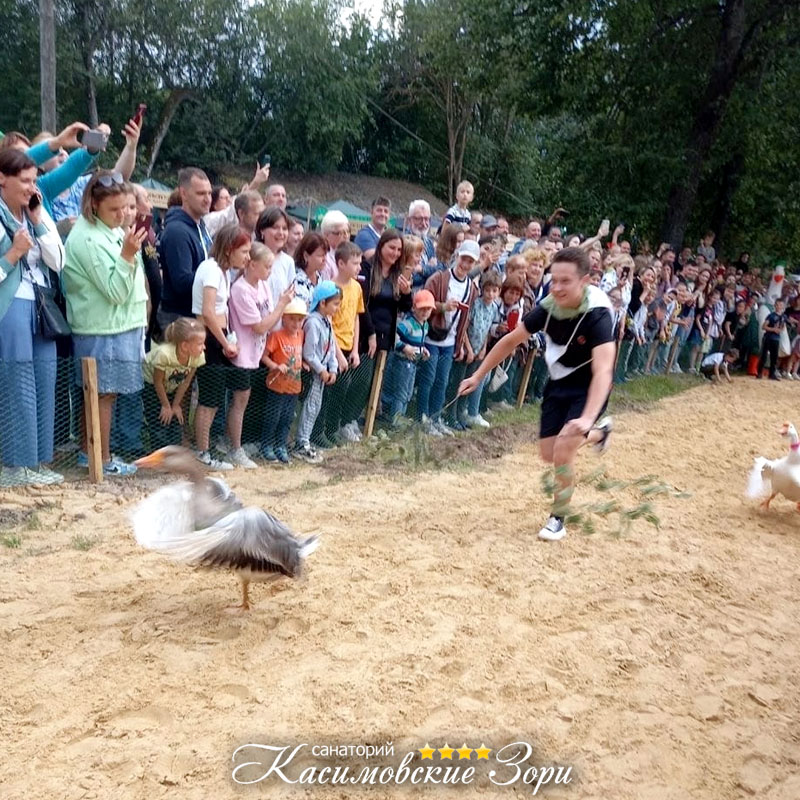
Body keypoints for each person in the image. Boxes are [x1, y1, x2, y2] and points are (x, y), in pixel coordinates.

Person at [459, 247, 615, 542]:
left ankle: (558, 517)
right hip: (558, 381)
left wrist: (587, 416)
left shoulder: (598, 314)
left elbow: (604, 371)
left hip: (589, 383)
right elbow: (511, 340)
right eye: (553, 279)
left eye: (565, 281)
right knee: (548, 452)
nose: (556, 287)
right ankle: (599, 434)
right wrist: (477, 376)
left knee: (565, 447)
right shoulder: (548, 307)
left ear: (585, 281)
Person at [63, 171, 148, 476]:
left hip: (117, 327)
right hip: (102, 329)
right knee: (102, 394)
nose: (124, 215)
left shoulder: (108, 229)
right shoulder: (87, 238)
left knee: (101, 393)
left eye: (128, 207)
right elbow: (114, 292)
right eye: (116, 209)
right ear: (94, 204)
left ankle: (91, 455)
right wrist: (127, 254)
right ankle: (101, 458)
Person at [0, 149, 66, 487]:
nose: (31, 187)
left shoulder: (33, 212)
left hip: (41, 305)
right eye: (25, 181)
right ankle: (14, 464)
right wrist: (13, 254)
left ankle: (38, 461)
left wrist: (39, 219)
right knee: (17, 383)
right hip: (10, 305)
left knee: (45, 379)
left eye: (34, 181)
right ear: (2, 178)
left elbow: (58, 261)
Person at [226, 242, 294, 468]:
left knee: (246, 401)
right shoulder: (240, 290)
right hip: (243, 354)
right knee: (239, 402)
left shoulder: (262, 285)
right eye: (267, 266)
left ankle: (238, 443)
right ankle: (234, 448)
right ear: (252, 265)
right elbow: (260, 326)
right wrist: (282, 304)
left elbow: (269, 316)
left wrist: (279, 305)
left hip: (255, 353)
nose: (270, 272)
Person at [190, 224, 250, 470]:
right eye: (244, 251)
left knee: (214, 398)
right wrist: (225, 343)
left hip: (218, 336)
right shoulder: (212, 270)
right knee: (209, 399)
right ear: (229, 249)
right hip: (209, 338)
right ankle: (202, 453)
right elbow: (207, 311)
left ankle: (206, 450)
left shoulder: (222, 272)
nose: (247, 257)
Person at [418, 239, 479, 436]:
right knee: (428, 379)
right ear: (457, 257)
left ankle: (436, 419)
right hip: (431, 337)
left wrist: (461, 343)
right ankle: (422, 418)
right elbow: (423, 303)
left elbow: (466, 317)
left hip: (450, 340)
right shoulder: (439, 278)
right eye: (464, 259)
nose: (466, 265)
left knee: (442, 381)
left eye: (471, 262)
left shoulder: (471, 287)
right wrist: (443, 306)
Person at [322, 241, 370, 444]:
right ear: (341, 264)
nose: (359, 267)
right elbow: (328, 322)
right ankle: (327, 429)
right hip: (333, 345)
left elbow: (357, 317)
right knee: (336, 388)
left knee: (345, 387)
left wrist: (355, 350)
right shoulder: (331, 287)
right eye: (355, 263)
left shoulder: (357, 287)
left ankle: (334, 428)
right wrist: (339, 354)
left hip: (349, 345)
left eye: (360, 263)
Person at [157, 167, 213, 330]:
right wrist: (216, 274)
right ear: (184, 193)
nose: (207, 199)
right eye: (201, 193)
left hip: (197, 315)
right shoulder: (177, 232)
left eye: (209, 193)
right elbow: (182, 282)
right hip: (180, 319)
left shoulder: (200, 225)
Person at [293, 281, 340, 463]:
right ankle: (301, 442)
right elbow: (309, 353)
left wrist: (333, 368)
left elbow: (331, 348)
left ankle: (305, 439)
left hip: (322, 374)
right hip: (313, 374)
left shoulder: (327, 322)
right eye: (335, 304)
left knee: (315, 407)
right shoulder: (313, 322)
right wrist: (321, 370)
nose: (337, 308)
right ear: (322, 303)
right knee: (309, 407)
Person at [142, 317, 206, 450]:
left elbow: (186, 382)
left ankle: (173, 452)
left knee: (176, 417)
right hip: (151, 386)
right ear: (184, 346)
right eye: (200, 343)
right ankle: (159, 454)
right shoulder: (164, 354)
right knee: (160, 418)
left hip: (172, 386)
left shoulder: (198, 356)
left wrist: (175, 405)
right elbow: (157, 381)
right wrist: (166, 406)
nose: (204, 347)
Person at [261, 298, 307, 463]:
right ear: (284, 318)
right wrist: (275, 366)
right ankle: (266, 445)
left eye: (300, 320)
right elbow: (264, 356)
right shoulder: (276, 336)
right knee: (273, 416)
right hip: (277, 384)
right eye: (292, 319)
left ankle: (281, 445)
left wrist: (305, 364)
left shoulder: (301, 335)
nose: (296, 323)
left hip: (294, 386)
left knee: (287, 417)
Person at [380, 290, 434, 426]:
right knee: (401, 392)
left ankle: (400, 417)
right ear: (414, 308)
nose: (425, 312)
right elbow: (394, 336)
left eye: (428, 309)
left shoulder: (425, 325)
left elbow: (419, 343)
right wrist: (404, 347)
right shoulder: (408, 323)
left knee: (408, 392)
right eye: (422, 309)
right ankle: (395, 420)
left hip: (413, 362)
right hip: (402, 361)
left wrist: (423, 350)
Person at [456, 271, 502, 429]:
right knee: (462, 381)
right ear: (483, 289)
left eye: (494, 291)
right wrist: (468, 349)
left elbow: (488, 330)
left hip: (480, 351)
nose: (490, 294)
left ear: (498, 292)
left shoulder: (494, 308)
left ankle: (471, 412)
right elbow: (465, 328)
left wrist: (484, 349)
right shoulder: (475, 304)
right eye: (488, 290)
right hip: (467, 351)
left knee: (478, 380)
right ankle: (458, 412)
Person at [255, 206, 296, 305]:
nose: (281, 233)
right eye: (275, 228)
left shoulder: (288, 262)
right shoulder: (252, 256)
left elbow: (290, 296)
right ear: (262, 230)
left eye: (285, 228)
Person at [293, 232, 327, 307]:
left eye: (325, 255)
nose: (324, 259)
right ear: (306, 256)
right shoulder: (295, 278)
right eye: (320, 255)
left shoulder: (320, 276)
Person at [354, 197, 391, 261]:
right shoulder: (364, 235)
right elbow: (375, 260)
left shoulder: (389, 235)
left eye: (386, 211)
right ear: (371, 212)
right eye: (379, 210)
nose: (383, 214)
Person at [758, 298, 786, 381]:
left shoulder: (783, 317)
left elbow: (783, 326)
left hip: (776, 339)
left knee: (774, 357)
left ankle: (772, 373)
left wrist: (780, 330)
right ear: (775, 306)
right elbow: (764, 326)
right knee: (764, 355)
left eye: (780, 305)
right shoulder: (771, 316)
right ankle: (759, 372)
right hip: (768, 337)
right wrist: (773, 329)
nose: (779, 307)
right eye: (777, 305)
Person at [318, 209, 351, 281]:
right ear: (326, 235)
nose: (346, 236)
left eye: (348, 231)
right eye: (339, 233)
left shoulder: (348, 254)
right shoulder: (324, 258)